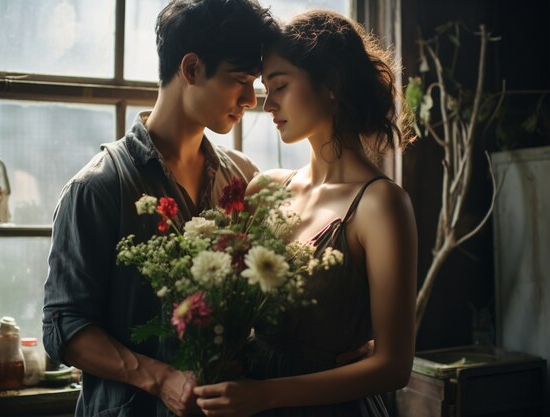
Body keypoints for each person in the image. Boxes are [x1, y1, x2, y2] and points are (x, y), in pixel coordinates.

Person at [41, 1, 277, 416]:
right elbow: (65, 327)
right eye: (239, 80)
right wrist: (160, 377)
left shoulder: (242, 177)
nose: (249, 99)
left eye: (254, 82)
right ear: (190, 69)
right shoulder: (98, 187)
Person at [194, 9, 418, 417]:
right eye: (266, 87)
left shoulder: (381, 205)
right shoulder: (266, 189)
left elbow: (394, 366)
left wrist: (266, 395)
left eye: (279, 85)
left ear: (330, 84)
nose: (267, 103)